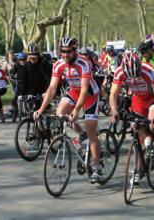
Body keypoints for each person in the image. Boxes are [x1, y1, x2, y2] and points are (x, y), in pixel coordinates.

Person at [34, 37, 103, 183]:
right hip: (73, 92)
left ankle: (96, 165)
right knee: (60, 113)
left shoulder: (83, 63)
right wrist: (41, 109)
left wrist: (76, 111)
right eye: (62, 52)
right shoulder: (58, 64)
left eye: (68, 52)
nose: (65, 55)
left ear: (75, 51)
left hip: (89, 95)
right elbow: (52, 89)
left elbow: (84, 90)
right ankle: (79, 134)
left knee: (91, 130)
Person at [109, 51, 154, 183]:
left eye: (136, 75)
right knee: (137, 135)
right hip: (138, 100)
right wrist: (114, 110)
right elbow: (113, 94)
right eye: (130, 77)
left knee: (153, 121)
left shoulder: (148, 70)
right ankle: (139, 169)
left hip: (152, 98)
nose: (133, 79)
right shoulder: (119, 72)